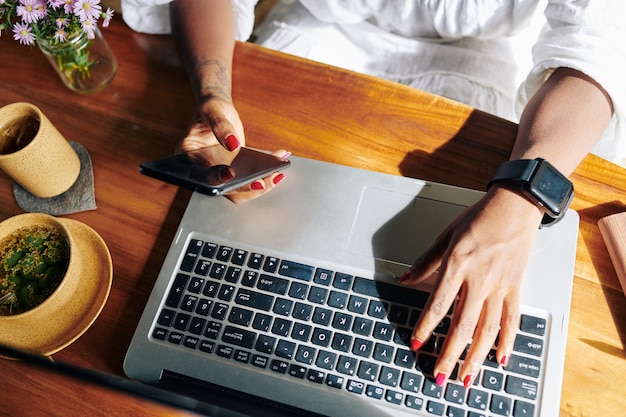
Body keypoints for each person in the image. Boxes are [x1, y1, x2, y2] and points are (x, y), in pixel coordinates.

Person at [121, 0, 625, 388]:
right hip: (310, 46)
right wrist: (212, 91)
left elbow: (598, 47)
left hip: (493, 77)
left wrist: (522, 195)